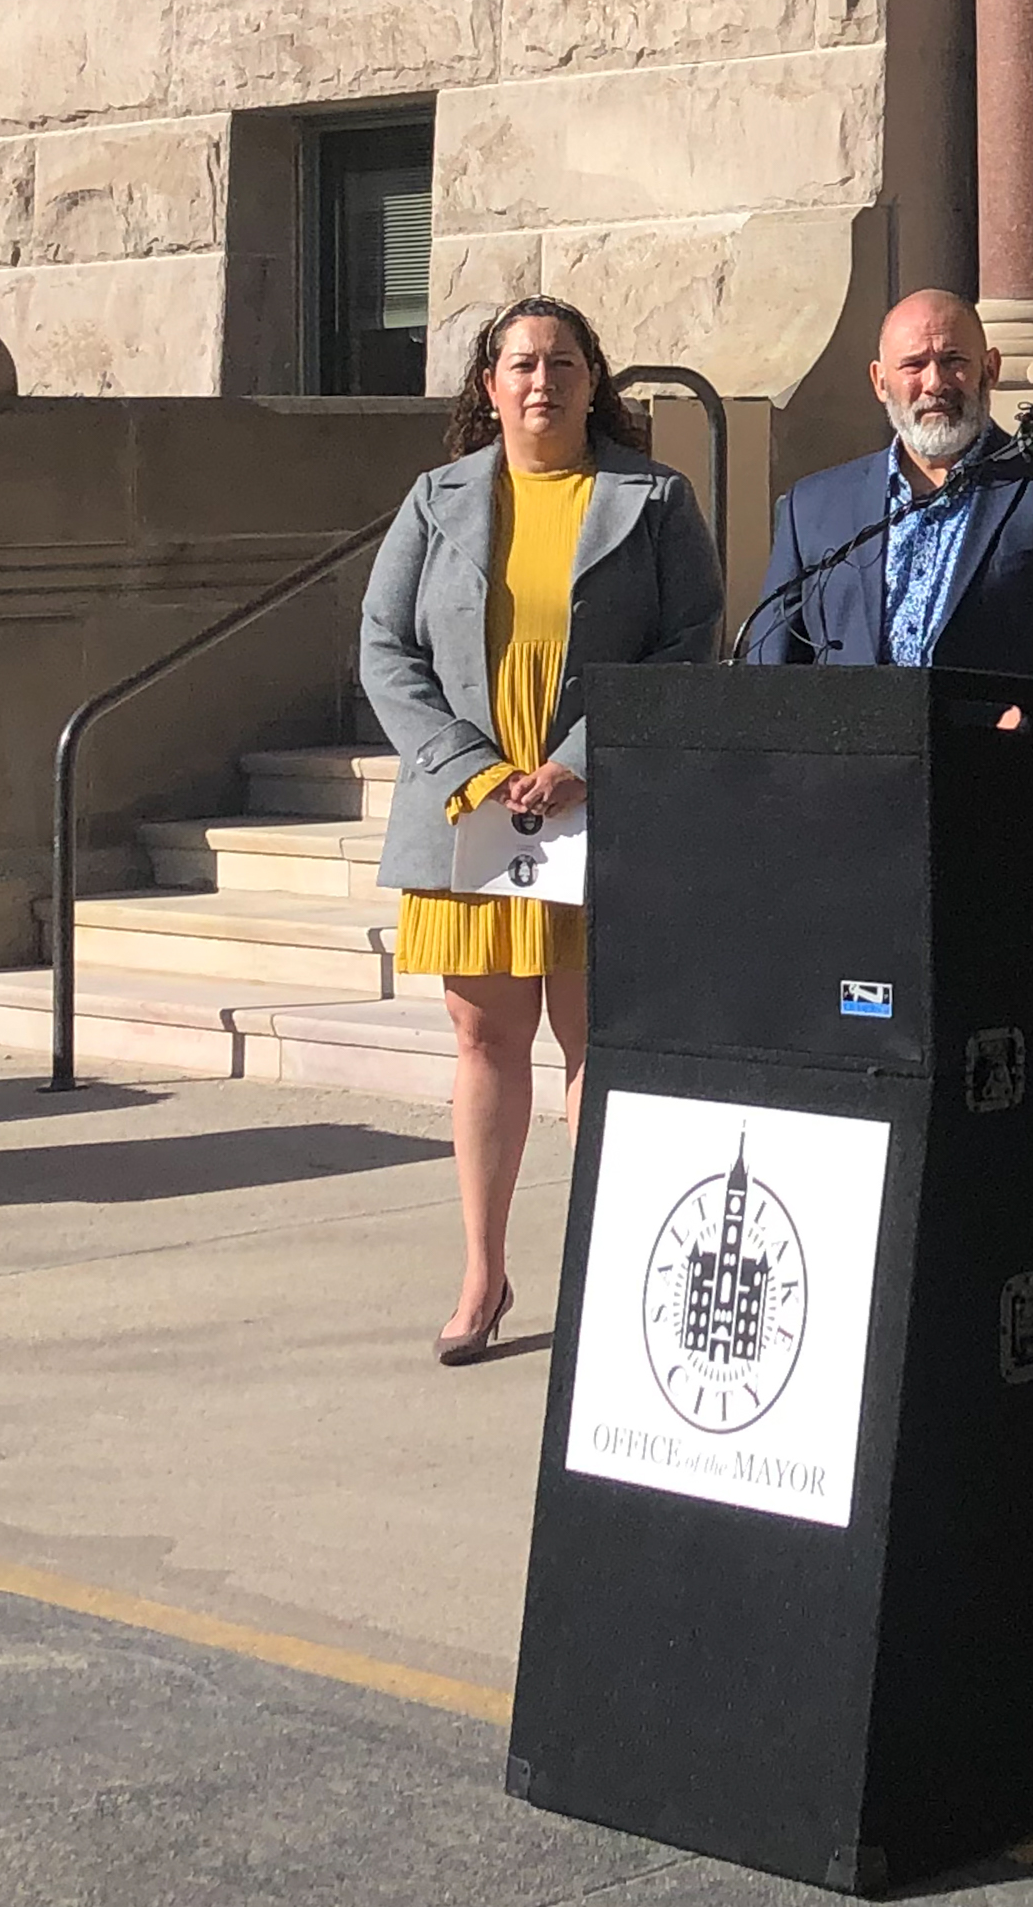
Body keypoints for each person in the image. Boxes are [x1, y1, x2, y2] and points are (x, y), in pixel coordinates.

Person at [360, 296, 723, 1366]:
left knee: (594, 1042)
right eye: (520, 363)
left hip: (596, 806)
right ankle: (482, 1268)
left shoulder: (653, 497)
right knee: (484, 1041)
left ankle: (609, 1268)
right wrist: (471, 769)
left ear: (592, 379)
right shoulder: (435, 501)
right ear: (490, 386)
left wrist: (578, 759)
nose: (541, 382)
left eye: (563, 362)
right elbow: (385, 649)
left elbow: (691, 641)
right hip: (471, 815)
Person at [742, 289, 1033, 679]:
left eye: (954, 361)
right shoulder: (813, 507)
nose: (935, 383)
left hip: (997, 735)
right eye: (914, 365)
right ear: (880, 382)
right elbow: (770, 663)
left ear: (991, 368)